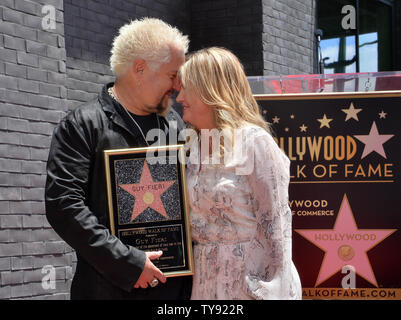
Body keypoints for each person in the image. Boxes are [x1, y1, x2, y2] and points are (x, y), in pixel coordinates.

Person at [45, 18, 192, 300]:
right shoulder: (83, 125)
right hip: (107, 290)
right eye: (172, 74)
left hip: (173, 292)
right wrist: (127, 262)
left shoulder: (175, 126)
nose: (177, 85)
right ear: (139, 69)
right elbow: (63, 205)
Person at [176, 47, 302, 300]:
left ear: (210, 89)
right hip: (205, 280)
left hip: (252, 284)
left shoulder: (255, 143)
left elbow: (276, 222)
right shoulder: (193, 146)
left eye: (186, 88)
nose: (179, 98)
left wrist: (273, 288)